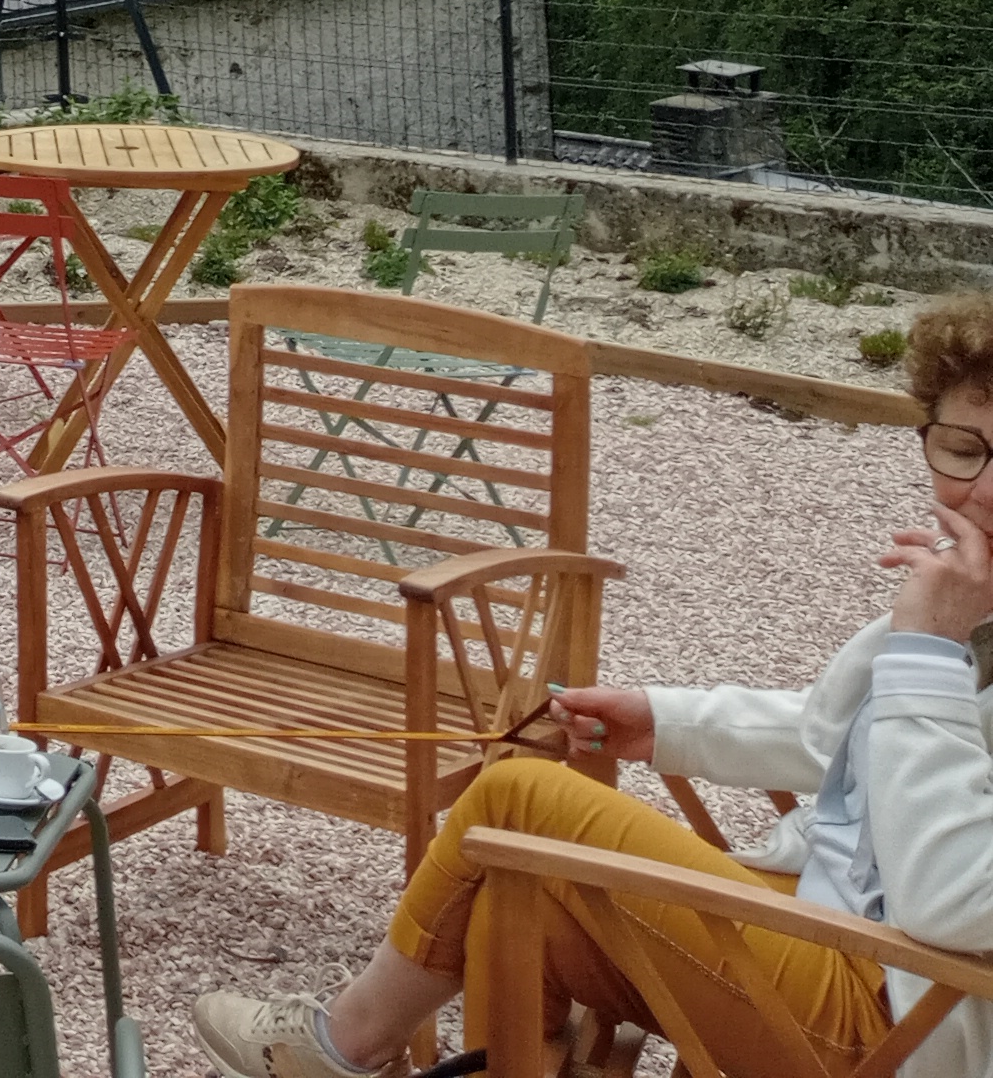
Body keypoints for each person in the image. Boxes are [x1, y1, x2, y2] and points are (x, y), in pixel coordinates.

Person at [195, 290, 993, 1078]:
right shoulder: (970, 596)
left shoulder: (943, 617)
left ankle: (341, 1049)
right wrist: (665, 721)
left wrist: (926, 652)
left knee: (519, 799)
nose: (984, 489)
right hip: (835, 922)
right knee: (518, 897)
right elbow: (844, 739)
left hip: (905, 1024)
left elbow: (953, 899)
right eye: (964, 449)